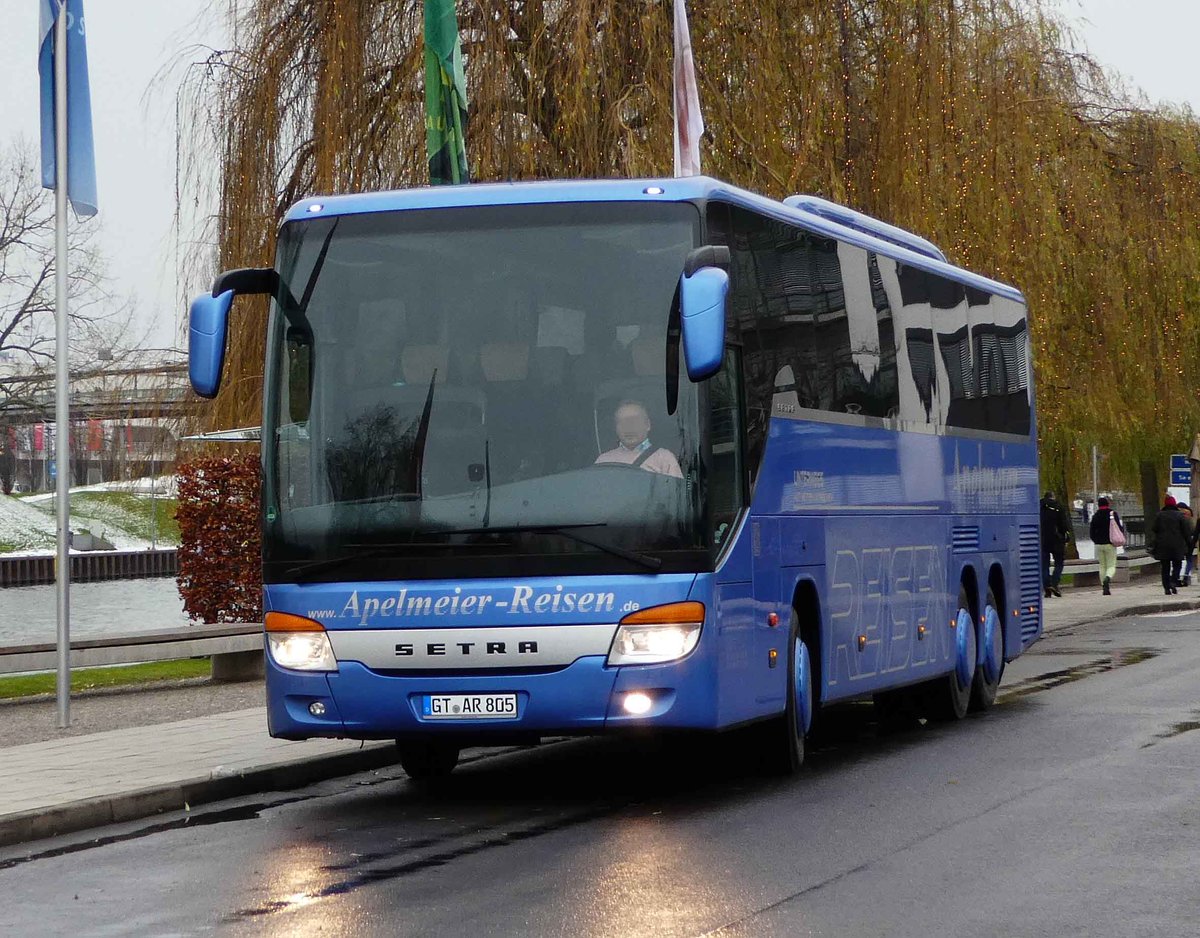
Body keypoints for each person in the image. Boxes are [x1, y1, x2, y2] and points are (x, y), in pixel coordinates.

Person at [594, 400, 683, 478]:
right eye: (622, 422)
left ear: (647, 425)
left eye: (634, 421)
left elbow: (675, 495)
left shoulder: (664, 458)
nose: (629, 427)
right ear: (616, 428)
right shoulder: (603, 461)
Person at [1150, 494, 1190, 595]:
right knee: (1177, 564)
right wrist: (1189, 544)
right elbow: (1186, 531)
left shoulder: (1159, 515)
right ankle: (1173, 581)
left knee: (1165, 567)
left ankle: (1166, 587)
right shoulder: (1180, 515)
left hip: (1163, 545)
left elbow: (1154, 528)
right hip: (1177, 545)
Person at [1089, 495, 1124, 596]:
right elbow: (1119, 528)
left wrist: (1096, 540)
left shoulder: (1095, 516)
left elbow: (1091, 532)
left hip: (1099, 544)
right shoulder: (1112, 514)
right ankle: (1107, 579)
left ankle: (1104, 587)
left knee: (1102, 566)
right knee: (1111, 565)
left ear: (1098, 505)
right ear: (1107, 504)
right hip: (1110, 543)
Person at [1039, 490, 1070, 598]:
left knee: (1044, 565)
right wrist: (1066, 536)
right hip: (1057, 539)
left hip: (1042, 540)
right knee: (1059, 563)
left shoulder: (1039, 507)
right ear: (1053, 496)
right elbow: (1063, 524)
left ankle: (1047, 586)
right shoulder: (1058, 507)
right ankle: (1054, 583)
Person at [1181, 503, 1197, 587]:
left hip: (1178, 543)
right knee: (1189, 560)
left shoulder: (1177, 517)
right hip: (1188, 543)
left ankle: (1176, 577)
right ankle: (1186, 575)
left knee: (1177, 560)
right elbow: (1193, 530)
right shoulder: (1189, 519)